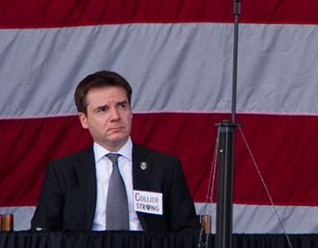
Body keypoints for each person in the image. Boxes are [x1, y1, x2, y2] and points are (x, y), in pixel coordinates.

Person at [31, 71, 200, 233]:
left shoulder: (165, 167)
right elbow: (43, 235)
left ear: (131, 112)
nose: (115, 116)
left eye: (122, 106)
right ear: (84, 120)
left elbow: (187, 232)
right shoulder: (63, 172)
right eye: (102, 109)